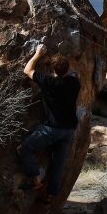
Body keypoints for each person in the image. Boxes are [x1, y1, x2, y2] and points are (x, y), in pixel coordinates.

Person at [18, 43, 81, 204]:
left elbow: (27, 70)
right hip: (68, 131)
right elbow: (71, 72)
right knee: (58, 165)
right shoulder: (74, 83)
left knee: (25, 148)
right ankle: (51, 195)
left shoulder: (49, 83)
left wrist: (38, 55)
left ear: (52, 71)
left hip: (52, 129)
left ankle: (36, 180)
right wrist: (58, 64)